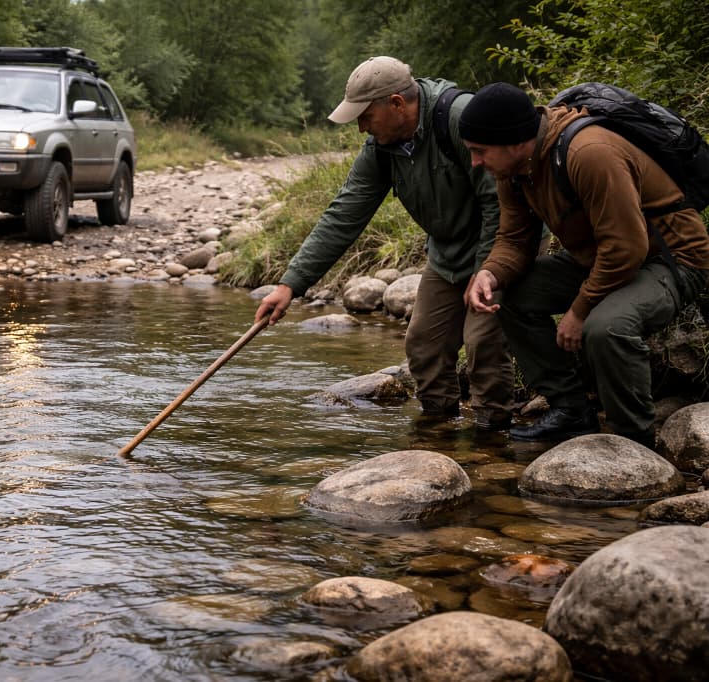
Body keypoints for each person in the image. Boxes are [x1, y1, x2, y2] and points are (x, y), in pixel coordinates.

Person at [255, 56, 515, 430]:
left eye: (365, 117)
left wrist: (486, 272)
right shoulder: (382, 146)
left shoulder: (460, 119)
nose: (361, 128)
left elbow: (500, 204)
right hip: (447, 255)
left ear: (396, 104)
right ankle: (437, 433)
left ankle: (493, 437)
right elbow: (344, 215)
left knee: (482, 345)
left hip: (500, 248)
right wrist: (290, 285)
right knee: (424, 346)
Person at [460, 82, 709, 447]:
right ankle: (571, 409)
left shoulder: (588, 153)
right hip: (603, 259)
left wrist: (580, 309)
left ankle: (633, 440)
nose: (475, 162)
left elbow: (626, 248)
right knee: (512, 295)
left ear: (514, 141)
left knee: (605, 327)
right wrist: (489, 272)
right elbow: (515, 239)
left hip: (672, 258)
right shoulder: (513, 171)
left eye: (480, 151)